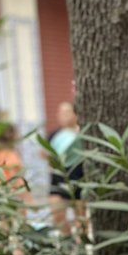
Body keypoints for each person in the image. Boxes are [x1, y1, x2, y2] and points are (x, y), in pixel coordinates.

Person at [47, 101, 86, 236]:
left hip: (79, 179)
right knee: (57, 214)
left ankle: (82, 243)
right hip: (58, 180)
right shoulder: (54, 135)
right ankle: (67, 240)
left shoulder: (83, 134)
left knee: (81, 218)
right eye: (60, 113)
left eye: (66, 112)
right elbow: (45, 154)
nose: (62, 116)